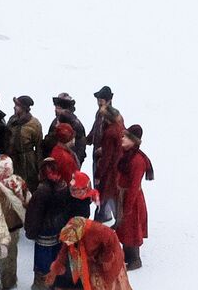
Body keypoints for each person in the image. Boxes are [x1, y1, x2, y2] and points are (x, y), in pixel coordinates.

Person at [25, 158, 75, 289]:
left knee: (43, 263)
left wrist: (30, 232)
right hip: (58, 230)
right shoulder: (64, 186)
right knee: (56, 258)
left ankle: (42, 285)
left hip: (44, 233)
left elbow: (34, 215)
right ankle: (54, 283)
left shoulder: (42, 191)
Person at [44, 217, 133, 290]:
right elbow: (64, 251)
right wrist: (55, 270)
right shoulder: (71, 231)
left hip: (110, 260)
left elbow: (112, 240)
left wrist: (106, 259)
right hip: (93, 258)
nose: (68, 243)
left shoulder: (97, 230)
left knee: (107, 283)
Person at [85, 87, 124, 223]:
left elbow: (119, 139)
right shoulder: (100, 113)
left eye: (101, 101)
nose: (99, 103)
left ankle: (106, 215)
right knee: (101, 188)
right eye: (98, 100)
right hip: (98, 157)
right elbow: (95, 128)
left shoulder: (115, 120)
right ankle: (105, 214)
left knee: (106, 187)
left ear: (109, 101)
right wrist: (87, 139)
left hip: (107, 160)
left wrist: (104, 149)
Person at [114, 125, 151, 271]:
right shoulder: (126, 154)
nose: (122, 138)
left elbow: (134, 186)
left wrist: (127, 207)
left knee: (132, 229)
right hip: (123, 196)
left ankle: (134, 259)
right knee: (124, 228)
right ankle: (127, 255)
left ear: (134, 141)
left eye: (126, 137)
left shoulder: (137, 161)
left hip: (132, 200)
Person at [0, 156, 30, 290]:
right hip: (14, 225)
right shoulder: (17, 181)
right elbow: (27, 199)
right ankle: (10, 280)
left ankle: (0, 282)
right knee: (12, 253)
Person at [8, 96, 44, 191]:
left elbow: (39, 147)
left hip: (27, 161)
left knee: (27, 186)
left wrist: (39, 168)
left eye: (17, 105)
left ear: (24, 108)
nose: (15, 107)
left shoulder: (34, 124)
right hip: (12, 158)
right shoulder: (12, 120)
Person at [48, 95, 87, 166]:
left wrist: (77, 160)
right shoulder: (55, 122)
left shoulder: (75, 125)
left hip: (70, 162)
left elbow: (81, 146)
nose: (55, 110)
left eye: (58, 108)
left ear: (65, 110)